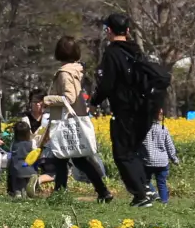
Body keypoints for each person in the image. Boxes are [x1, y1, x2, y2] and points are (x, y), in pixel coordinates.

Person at [91, 13, 164, 206]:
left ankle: (141, 194)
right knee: (132, 151)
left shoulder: (112, 53)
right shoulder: (137, 50)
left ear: (109, 31)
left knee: (122, 154)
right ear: (128, 31)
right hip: (145, 110)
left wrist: (94, 101)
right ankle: (146, 189)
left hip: (125, 110)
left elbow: (107, 84)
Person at [39, 35, 114, 203]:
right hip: (76, 117)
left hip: (66, 121)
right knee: (78, 160)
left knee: (62, 158)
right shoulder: (76, 70)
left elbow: (69, 97)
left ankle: (61, 193)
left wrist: (48, 100)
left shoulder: (65, 72)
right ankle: (102, 191)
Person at [144, 110, 179, 203]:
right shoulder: (164, 129)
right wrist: (174, 159)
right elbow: (169, 146)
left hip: (148, 161)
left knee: (144, 181)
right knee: (162, 183)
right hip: (163, 162)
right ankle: (164, 202)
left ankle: (153, 194)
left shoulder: (144, 129)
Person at [7, 115, 39, 198]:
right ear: (28, 132)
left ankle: (17, 193)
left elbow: (10, 155)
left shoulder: (13, 143)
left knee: (17, 181)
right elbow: (35, 154)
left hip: (16, 168)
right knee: (27, 181)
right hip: (29, 168)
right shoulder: (32, 142)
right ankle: (26, 192)